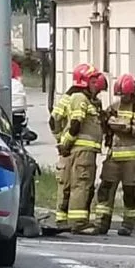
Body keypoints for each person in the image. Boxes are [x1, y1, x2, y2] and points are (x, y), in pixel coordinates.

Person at [93, 74, 135, 236]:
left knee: (129, 192)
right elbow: (103, 127)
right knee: (105, 190)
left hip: (132, 160)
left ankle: (128, 224)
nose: (122, 98)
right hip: (113, 157)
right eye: (120, 95)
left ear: (133, 93)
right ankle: (101, 223)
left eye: (124, 94)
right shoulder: (114, 106)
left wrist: (130, 128)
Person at [57, 64, 108, 234]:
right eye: (93, 80)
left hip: (80, 151)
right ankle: (78, 223)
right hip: (82, 152)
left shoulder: (83, 98)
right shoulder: (80, 98)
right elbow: (76, 123)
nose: (97, 84)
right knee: (82, 184)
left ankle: (64, 220)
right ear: (85, 81)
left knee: (73, 183)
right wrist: (66, 141)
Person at [47, 84, 77, 233]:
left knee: (67, 184)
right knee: (67, 184)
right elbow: (53, 121)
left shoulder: (73, 97)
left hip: (69, 148)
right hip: (69, 149)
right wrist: (62, 141)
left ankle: (62, 219)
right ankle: (63, 219)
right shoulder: (72, 99)